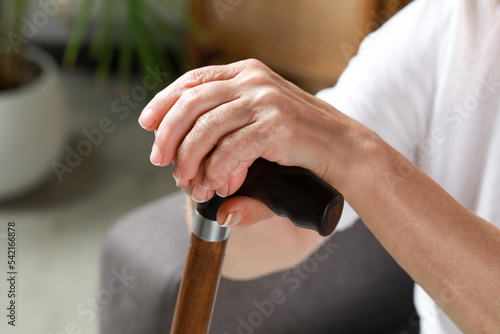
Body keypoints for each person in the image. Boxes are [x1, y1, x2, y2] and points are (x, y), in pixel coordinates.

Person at [105, 0, 500, 333]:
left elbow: (347, 151)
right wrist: (222, 174)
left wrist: (357, 158)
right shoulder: (455, 19)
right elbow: (282, 234)